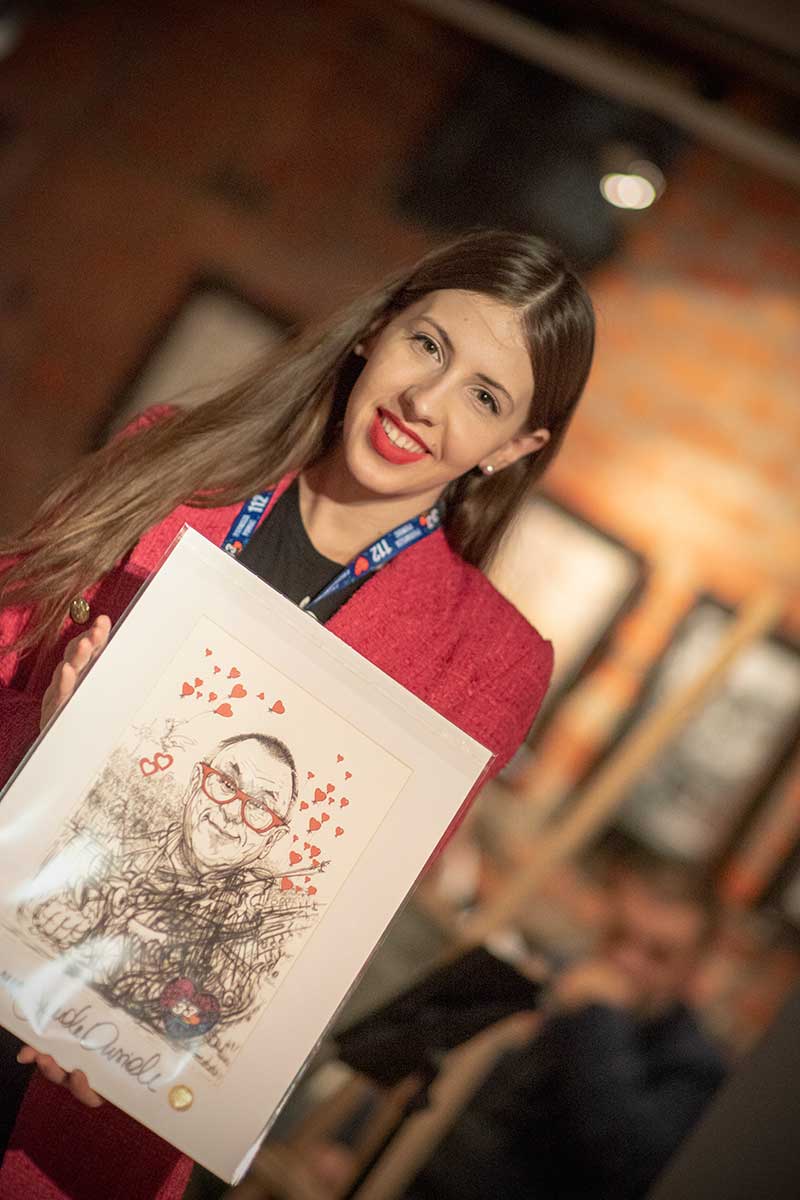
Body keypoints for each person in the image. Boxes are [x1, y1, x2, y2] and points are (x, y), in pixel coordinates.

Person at [0, 229, 594, 1199]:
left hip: (106, 1090)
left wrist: (143, 1038)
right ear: (376, 331)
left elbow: (336, 912)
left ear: (514, 448)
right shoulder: (173, 460)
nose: (426, 401)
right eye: (428, 345)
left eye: (484, 397)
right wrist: (45, 744)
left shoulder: (488, 658)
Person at [402, 853, 728, 1200]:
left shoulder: (695, 1068)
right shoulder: (553, 978)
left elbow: (626, 1159)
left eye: (659, 955)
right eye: (618, 935)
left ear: (690, 971)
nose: (626, 961)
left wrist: (601, 1016)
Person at [22, 732, 304, 1044]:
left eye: (260, 806)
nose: (231, 812)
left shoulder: (248, 929)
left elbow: (223, 1014)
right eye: (226, 783)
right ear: (196, 783)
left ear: (272, 840)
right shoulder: (113, 851)